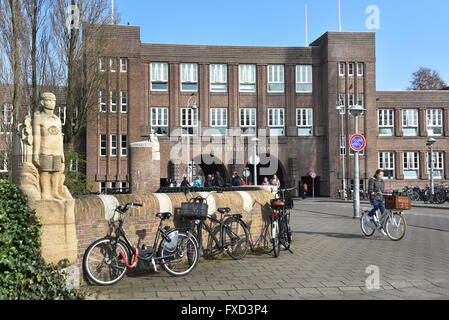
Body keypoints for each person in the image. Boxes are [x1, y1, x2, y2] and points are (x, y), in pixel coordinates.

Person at [367, 169, 387, 235]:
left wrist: (386, 194)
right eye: (380, 174)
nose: (381, 176)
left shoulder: (383, 181)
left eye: (382, 175)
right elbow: (370, 189)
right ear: (376, 174)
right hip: (373, 198)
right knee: (376, 207)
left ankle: (381, 228)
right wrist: (372, 192)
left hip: (380, 199)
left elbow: (383, 190)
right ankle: (368, 215)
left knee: (384, 213)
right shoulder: (372, 180)